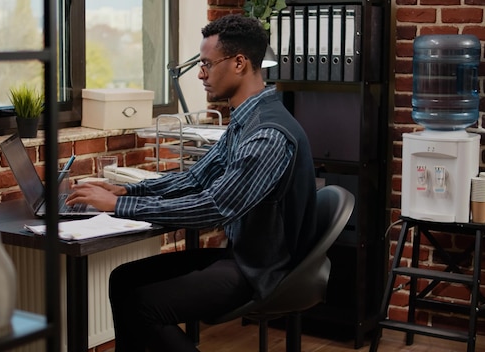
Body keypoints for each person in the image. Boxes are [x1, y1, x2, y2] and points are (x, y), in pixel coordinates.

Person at [66, 14, 317, 352]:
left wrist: (119, 206)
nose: (200, 74)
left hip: (260, 270)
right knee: (123, 280)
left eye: (206, 64)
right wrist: (127, 190)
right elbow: (197, 178)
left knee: (143, 305)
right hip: (245, 256)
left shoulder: (267, 134)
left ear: (239, 63)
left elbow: (213, 206)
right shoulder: (246, 121)